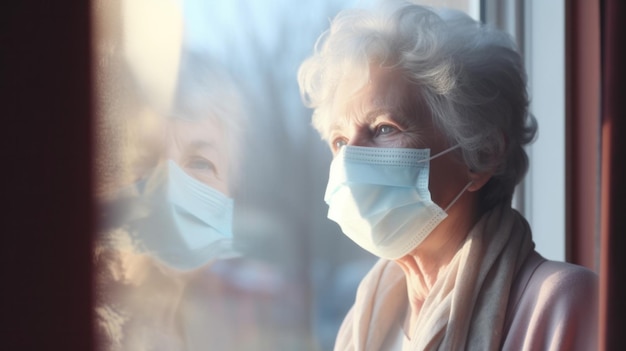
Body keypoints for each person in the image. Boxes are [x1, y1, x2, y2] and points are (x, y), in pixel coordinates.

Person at [297, 1, 598, 350]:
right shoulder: (362, 323)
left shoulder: (565, 305)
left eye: (382, 128)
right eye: (339, 140)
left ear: (482, 152)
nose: (349, 159)